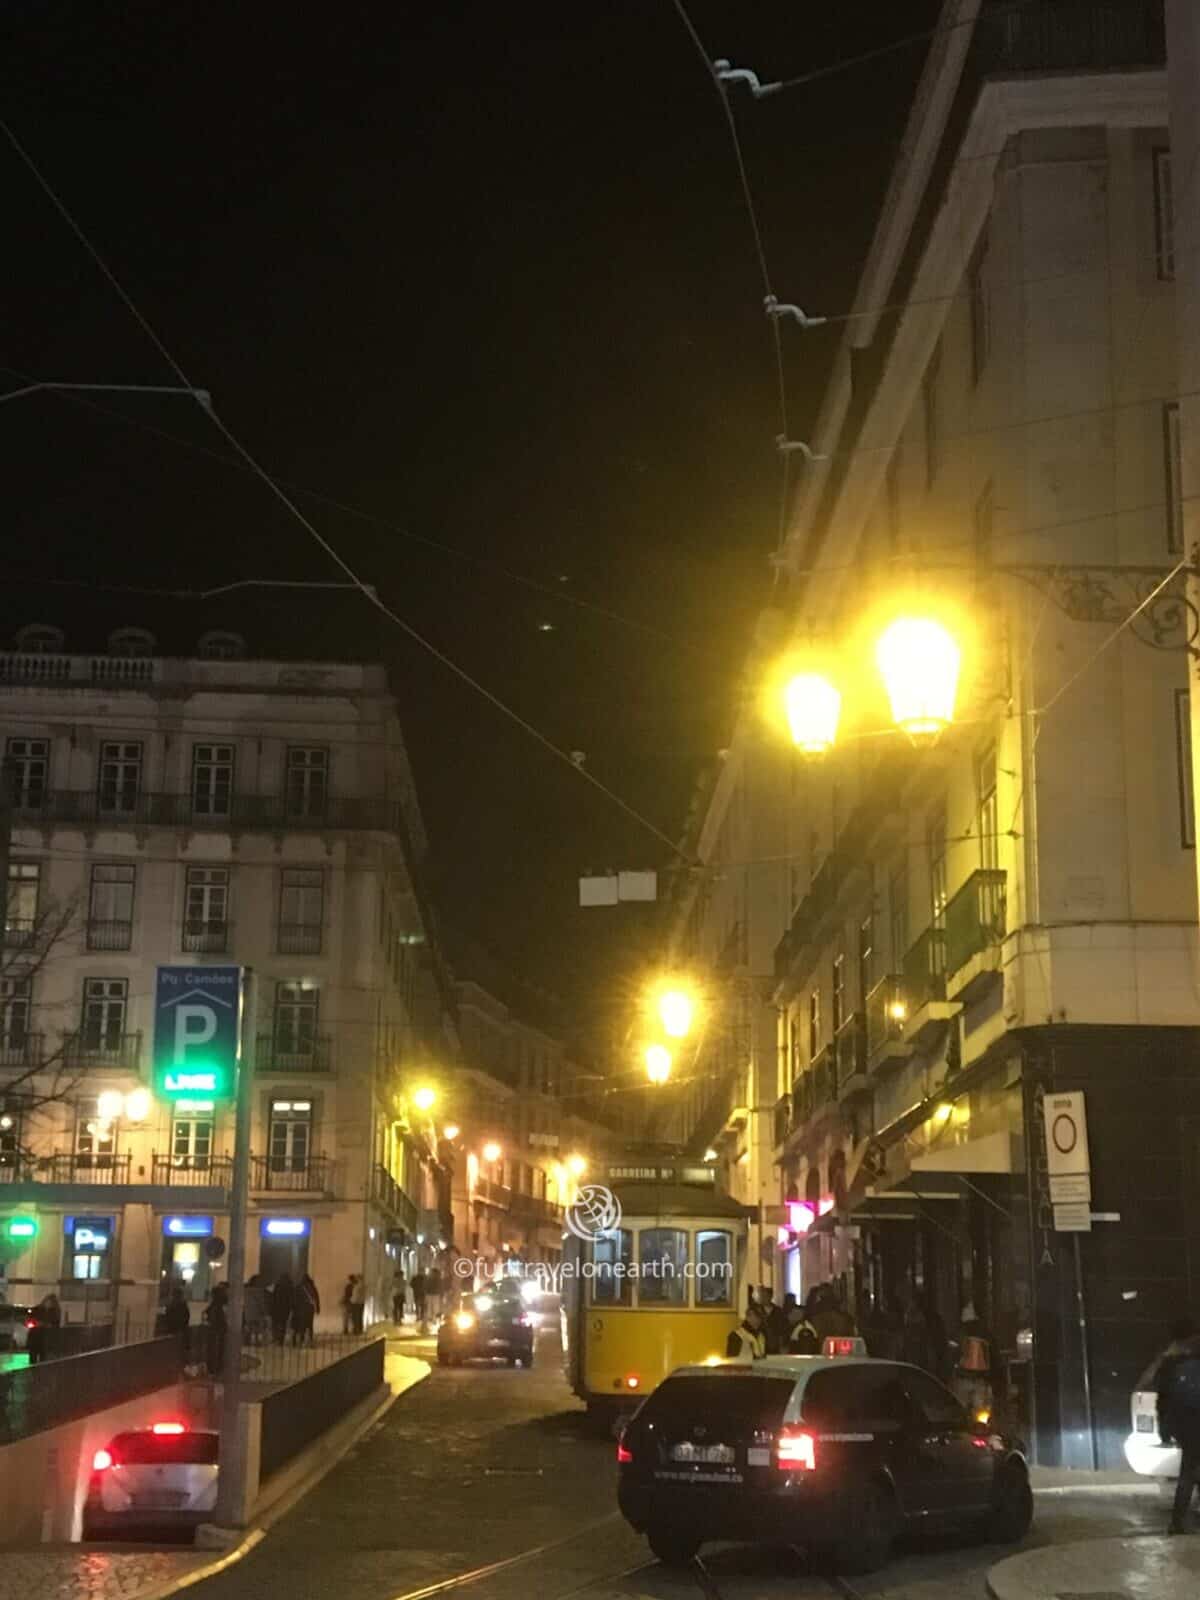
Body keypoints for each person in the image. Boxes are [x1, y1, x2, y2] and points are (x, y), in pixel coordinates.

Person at [1157, 1328, 1200, 1534]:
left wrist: (1168, 1430)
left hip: (1187, 1428)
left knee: (1188, 1473)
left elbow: (1170, 1401)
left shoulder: (1181, 1369)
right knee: (1191, 1473)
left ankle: (1177, 1522)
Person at [27, 1292, 62, 1365]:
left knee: (43, 1357)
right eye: (49, 1301)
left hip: (45, 1338)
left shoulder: (54, 1312)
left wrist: (47, 1325)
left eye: (52, 1302)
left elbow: (56, 1324)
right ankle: (34, 1372)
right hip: (35, 1336)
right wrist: (37, 1324)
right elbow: (30, 1320)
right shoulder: (37, 1309)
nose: (50, 1304)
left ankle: (40, 1372)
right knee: (33, 1357)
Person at [204, 1282, 229, 1377]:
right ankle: (216, 1369)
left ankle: (214, 1369)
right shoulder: (217, 1307)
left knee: (215, 1350)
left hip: (216, 1330)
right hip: (217, 1331)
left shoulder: (214, 1306)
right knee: (217, 1350)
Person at [163, 1286, 191, 1359]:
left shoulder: (171, 1304)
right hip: (181, 1329)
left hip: (173, 1328)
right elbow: (187, 1316)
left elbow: (167, 1315)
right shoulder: (182, 1304)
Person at [759, 1286, 788, 1355]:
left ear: (770, 1296)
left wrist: (781, 1344)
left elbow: (783, 1329)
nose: (763, 1298)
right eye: (762, 1296)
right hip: (761, 1342)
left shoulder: (778, 1311)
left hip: (775, 1343)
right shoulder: (757, 1310)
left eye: (765, 1296)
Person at [292, 1273, 320, 1344]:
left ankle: (301, 1339)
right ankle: (310, 1339)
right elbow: (316, 1298)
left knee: (301, 1324)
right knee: (310, 1324)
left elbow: (295, 1299)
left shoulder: (298, 1287)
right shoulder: (312, 1287)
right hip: (310, 1308)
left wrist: (294, 1308)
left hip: (301, 1309)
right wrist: (317, 1308)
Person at [270, 1271, 295, 1345]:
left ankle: (275, 1338)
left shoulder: (277, 1286)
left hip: (276, 1308)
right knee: (283, 1324)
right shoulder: (290, 1286)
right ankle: (281, 1340)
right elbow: (291, 1298)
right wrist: (292, 1307)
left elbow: (273, 1297)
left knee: (275, 1324)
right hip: (285, 1309)